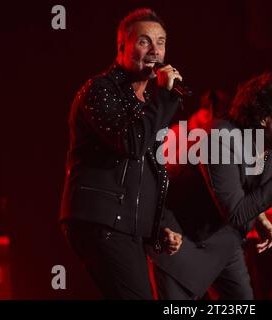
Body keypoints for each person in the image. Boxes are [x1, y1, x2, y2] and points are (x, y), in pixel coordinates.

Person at [150, 71, 272, 299]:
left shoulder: (270, 146)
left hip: (223, 240)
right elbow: (236, 213)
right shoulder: (219, 136)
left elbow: (245, 190)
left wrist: (260, 217)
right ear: (264, 116)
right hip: (179, 239)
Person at [59, 8, 183, 300]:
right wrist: (164, 97)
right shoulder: (100, 90)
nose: (155, 50)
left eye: (161, 42)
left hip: (127, 227)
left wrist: (160, 225)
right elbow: (131, 143)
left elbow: (151, 170)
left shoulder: (148, 102)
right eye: (144, 42)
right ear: (122, 47)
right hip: (100, 221)